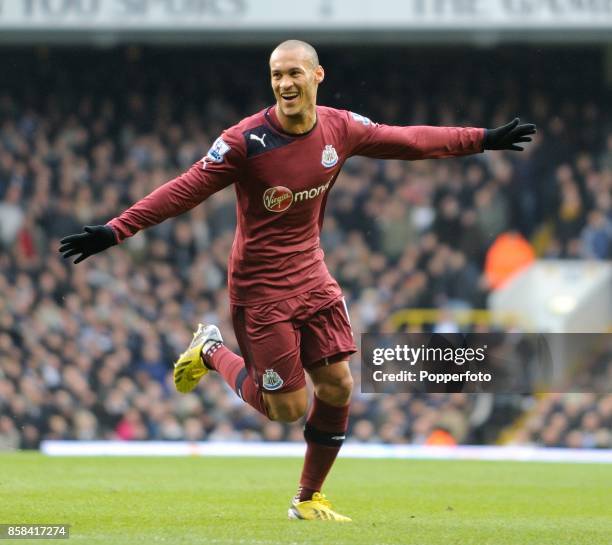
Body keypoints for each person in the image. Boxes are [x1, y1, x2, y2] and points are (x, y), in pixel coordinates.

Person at [59, 40, 536, 521]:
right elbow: (184, 189)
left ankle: (307, 498)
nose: (285, 83)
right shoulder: (245, 141)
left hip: (312, 276)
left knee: (338, 387)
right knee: (286, 409)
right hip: (261, 290)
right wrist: (117, 229)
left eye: (293, 73)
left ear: (317, 75)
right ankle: (209, 350)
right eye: (276, 75)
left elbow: (409, 141)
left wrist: (482, 138)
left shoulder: (339, 128)